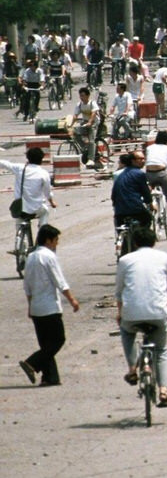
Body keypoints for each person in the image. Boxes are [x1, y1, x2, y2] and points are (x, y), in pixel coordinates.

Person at [115, 225, 167, 407]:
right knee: (161, 351)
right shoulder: (164, 258)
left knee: (126, 331)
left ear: (134, 243)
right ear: (154, 241)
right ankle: (163, 390)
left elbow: (119, 291)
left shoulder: (125, 260)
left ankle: (132, 368)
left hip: (131, 314)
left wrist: (119, 313)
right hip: (157, 313)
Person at [19, 224, 79, 387]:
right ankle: (32, 363)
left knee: (46, 344)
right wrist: (72, 300)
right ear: (48, 240)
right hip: (50, 307)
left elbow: (27, 286)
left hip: (37, 307)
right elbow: (60, 281)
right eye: (55, 240)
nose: (56, 244)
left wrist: (30, 306)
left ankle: (50, 377)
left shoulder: (31, 257)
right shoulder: (49, 257)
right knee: (58, 340)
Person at [4, 147, 56, 229]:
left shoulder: (20, 168)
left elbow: (5, 164)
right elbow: (47, 192)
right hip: (36, 209)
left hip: (20, 208)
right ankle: (41, 235)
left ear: (27, 158)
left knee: (19, 220)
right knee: (45, 211)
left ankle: (19, 238)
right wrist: (52, 202)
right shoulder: (43, 173)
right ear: (41, 159)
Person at [144, 130, 167, 227]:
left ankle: (148, 212)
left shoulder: (149, 148)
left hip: (148, 174)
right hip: (161, 174)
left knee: (146, 196)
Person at [111, 150, 153, 232]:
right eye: (140, 159)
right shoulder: (139, 174)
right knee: (147, 219)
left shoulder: (121, 175)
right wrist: (150, 204)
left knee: (121, 231)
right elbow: (146, 193)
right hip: (134, 208)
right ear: (133, 161)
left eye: (144, 159)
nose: (143, 161)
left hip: (119, 211)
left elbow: (113, 195)